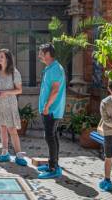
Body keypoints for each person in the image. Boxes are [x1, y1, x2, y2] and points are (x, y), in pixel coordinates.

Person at [0, 48, 28, 166]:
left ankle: (18, 155)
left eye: (1, 56)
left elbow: (19, 90)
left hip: (9, 104)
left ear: (7, 59)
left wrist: (6, 93)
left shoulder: (14, 72)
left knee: (12, 129)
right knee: (2, 129)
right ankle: (4, 153)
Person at [36, 43, 66, 179]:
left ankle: (53, 168)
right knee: (52, 137)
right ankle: (53, 164)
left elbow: (55, 90)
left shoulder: (55, 69)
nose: (39, 56)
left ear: (48, 54)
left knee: (49, 137)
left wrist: (47, 107)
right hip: (51, 110)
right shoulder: (51, 67)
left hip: (52, 111)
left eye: (41, 53)